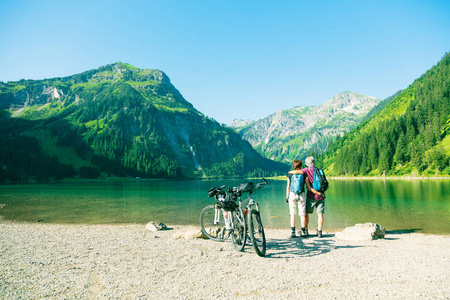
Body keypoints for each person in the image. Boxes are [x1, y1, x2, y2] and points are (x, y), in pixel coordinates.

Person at [289, 156, 326, 238]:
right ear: (314, 163)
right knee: (320, 214)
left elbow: (296, 172)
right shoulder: (319, 170)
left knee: (305, 213)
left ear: (306, 164)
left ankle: (305, 230)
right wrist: (321, 193)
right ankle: (319, 231)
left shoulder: (306, 170)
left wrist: (289, 172)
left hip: (312, 196)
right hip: (321, 195)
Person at [286, 160, 306, 238]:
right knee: (302, 213)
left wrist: (287, 197)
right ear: (301, 166)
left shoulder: (290, 174)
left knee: (293, 213)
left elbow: (288, 186)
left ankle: (293, 232)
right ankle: (303, 232)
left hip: (292, 194)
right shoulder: (303, 174)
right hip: (301, 194)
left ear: (293, 166)